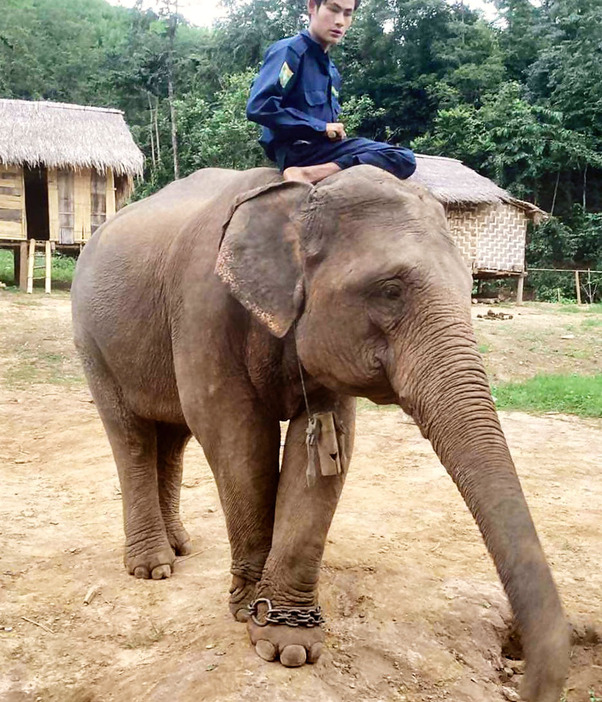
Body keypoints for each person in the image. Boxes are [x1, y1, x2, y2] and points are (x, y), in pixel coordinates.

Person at [246, 0, 416, 185]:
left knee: (396, 155)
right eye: (333, 10)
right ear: (312, 6)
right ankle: (307, 174)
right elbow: (260, 106)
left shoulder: (331, 71)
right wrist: (321, 127)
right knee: (401, 157)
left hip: (324, 148)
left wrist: (331, 130)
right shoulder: (291, 52)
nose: (340, 21)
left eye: (347, 14)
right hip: (299, 151)